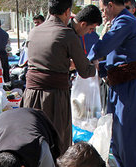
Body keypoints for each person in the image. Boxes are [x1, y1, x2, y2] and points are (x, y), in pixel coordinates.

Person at [88, 0, 136, 167]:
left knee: (130, 141)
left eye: (102, 9)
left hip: (131, 87)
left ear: (109, 5)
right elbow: (111, 59)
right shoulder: (120, 22)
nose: (103, 15)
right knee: (116, 141)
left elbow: (101, 49)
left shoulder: (125, 21)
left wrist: (83, 58)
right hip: (119, 87)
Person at [22, 0, 97, 155]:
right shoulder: (67, 34)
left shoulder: (34, 31)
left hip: (30, 95)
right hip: (53, 98)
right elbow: (85, 71)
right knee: (57, 145)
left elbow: (47, 61)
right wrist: (94, 66)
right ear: (67, 12)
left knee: (34, 141)